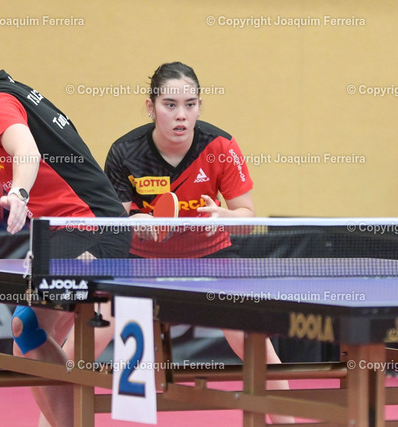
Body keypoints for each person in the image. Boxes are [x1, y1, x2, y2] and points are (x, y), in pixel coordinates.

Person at [0, 18, 128, 426]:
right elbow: (12, 153)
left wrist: (19, 194)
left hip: (86, 230)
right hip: (91, 229)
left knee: (27, 328)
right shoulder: (6, 90)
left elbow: (26, 153)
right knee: (34, 334)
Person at [105, 62, 294, 424]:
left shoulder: (220, 146)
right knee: (94, 337)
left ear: (199, 106)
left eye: (190, 105)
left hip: (211, 257)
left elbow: (247, 219)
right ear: (150, 107)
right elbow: (114, 223)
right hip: (141, 263)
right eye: (170, 105)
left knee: (252, 339)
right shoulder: (125, 151)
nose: (181, 115)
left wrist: (226, 217)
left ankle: (286, 422)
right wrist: (133, 222)